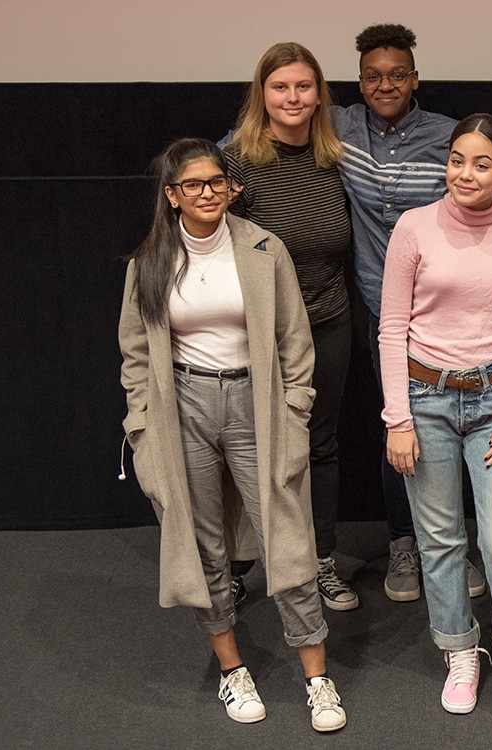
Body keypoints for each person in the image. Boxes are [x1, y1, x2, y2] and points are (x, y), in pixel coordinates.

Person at [117, 138, 345, 732]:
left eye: (217, 182)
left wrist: (295, 409)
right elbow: (136, 352)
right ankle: (232, 669)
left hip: (256, 403)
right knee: (203, 543)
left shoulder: (264, 248)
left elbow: (297, 340)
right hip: (183, 406)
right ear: (171, 196)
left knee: (286, 539)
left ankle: (317, 679)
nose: (208, 193)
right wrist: (140, 422)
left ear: (231, 186)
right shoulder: (150, 262)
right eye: (193, 185)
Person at [379, 114, 492, 749]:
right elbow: (391, 327)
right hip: (424, 399)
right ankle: (461, 650)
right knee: (440, 540)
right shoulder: (414, 227)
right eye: (457, 160)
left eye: (482, 163)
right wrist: (397, 419)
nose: (466, 174)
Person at [331, 23, 484, 603]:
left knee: (460, 426)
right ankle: (404, 541)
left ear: (415, 79)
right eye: (373, 76)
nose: (384, 84)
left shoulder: (449, 136)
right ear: (360, 81)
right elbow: (247, 136)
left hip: (447, 311)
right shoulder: (340, 126)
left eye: (397, 74)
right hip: (380, 312)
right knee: (402, 426)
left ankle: (456, 541)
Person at [221, 42, 359, 611]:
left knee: (318, 444)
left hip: (327, 320)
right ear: (262, 94)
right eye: (280, 87)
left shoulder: (336, 160)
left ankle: (319, 559)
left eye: (304, 87)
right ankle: (239, 564)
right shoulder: (235, 161)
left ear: (319, 94)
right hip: (257, 332)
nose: (293, 97)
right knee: (246, 447)